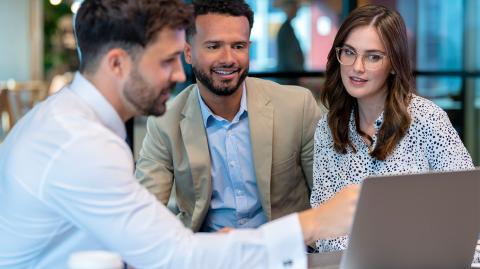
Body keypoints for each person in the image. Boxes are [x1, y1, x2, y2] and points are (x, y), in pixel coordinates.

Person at [0, 0, 360, 268]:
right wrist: (311, 224)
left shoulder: (70, 120)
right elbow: (174, 256)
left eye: (238, 45)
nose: (177, 75)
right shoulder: (82, 145)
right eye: (166, 61)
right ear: (117, 63)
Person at [135, 0, 321, 233]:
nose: (228, 59)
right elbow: (145, 213)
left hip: (286, 252)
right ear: (189, 53)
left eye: (238, 46)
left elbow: (328, 196)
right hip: (209, 255)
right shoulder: (164, 122)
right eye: (213, 46)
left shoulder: (297, 106)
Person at [310, 4, 475, 253]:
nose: (357, 67)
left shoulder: (427, 119)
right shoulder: (327, 128)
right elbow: (323, 224)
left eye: (373, 56)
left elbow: (468, 206)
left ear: (394, 64)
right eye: (349, 52)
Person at [276, 0, 305, 85]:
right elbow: (290, 57)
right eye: (295, 7)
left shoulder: (288, 28)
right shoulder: (286, 30)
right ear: (288, 8)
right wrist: (299, 72)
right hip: (288, 80)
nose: (297, 9)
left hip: (290, 78)